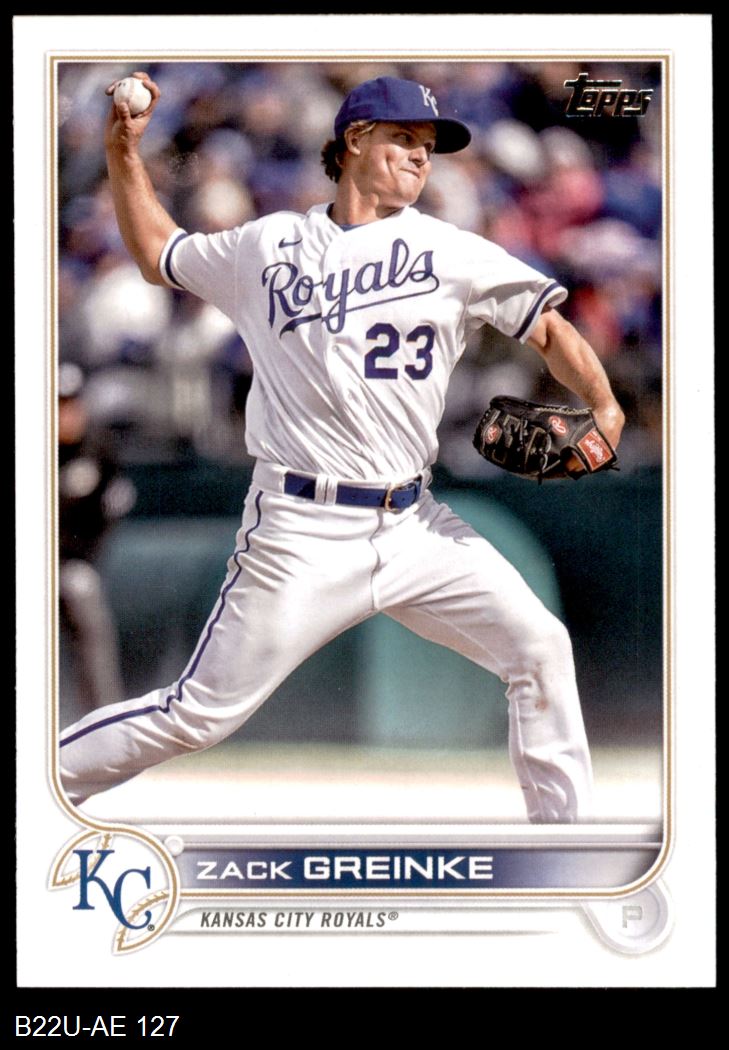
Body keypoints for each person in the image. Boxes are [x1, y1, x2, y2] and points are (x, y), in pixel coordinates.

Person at [59, 73, 625, 822]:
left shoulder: (450, 250)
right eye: (404, 139)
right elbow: (158, 250)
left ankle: (564, 847)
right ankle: (43, 782)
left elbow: (548, 328)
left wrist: (605, 406)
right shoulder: (268, 245)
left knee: (540, 646)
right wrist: (124, 151)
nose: (421, 157)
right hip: (301, 528)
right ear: (355, 139)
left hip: (415, 524)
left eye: (429, 146)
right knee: (197, 714)